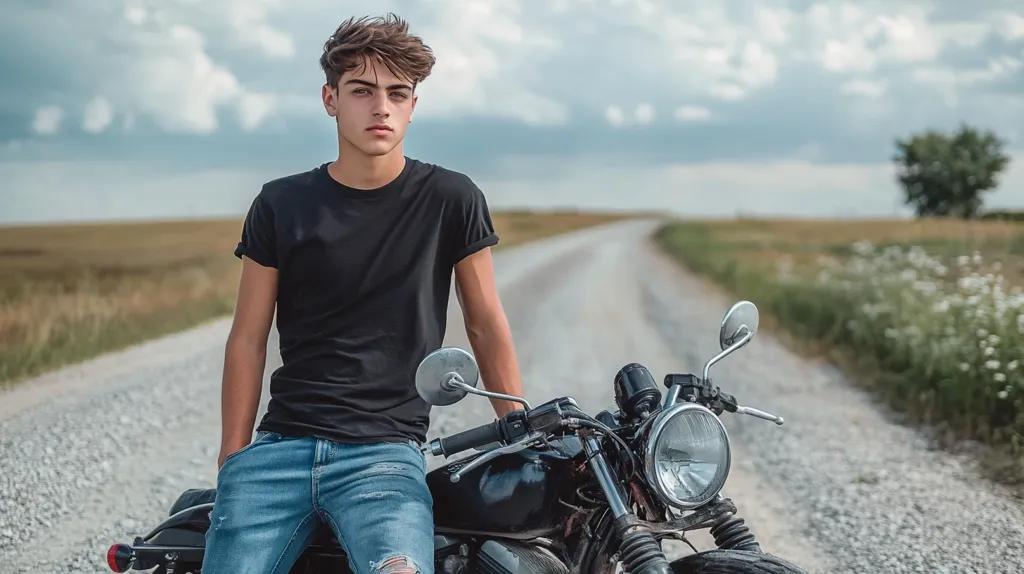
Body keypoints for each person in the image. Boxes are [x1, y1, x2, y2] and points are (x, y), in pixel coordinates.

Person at [201, 13, 525, 574]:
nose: (382, 107)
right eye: (362, 91)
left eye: (398, 93)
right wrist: (234, 457)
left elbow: (485, 324)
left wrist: (517, 432)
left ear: (413, 106)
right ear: (330, 99)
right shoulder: (280, 204)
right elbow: (248, 338)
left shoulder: (452, 198)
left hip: (385, 457)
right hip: (278, 451)